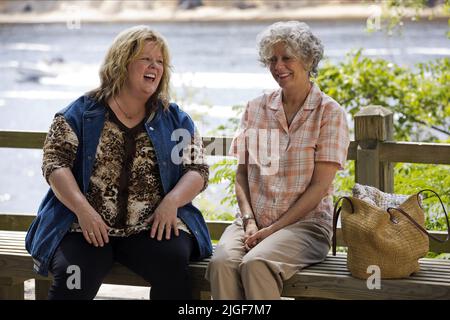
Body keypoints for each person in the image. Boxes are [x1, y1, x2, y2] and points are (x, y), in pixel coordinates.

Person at [25, 25, 212, 300]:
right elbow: (55, 163)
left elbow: (197, 169)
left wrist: (172, 202)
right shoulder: (80, 112)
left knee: (174, 266)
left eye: (160, 61)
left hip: (150, 227)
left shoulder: (174, 119)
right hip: (83, 226)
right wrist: (82, 209)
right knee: (74, 276)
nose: (155, 67)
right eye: (145, 59)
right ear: (122, 63)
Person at [205, 21, 350, 299]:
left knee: (256, 264)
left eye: (287, 58)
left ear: (308, 60)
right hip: (252, 222)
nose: (278, 66)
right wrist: (248, 220)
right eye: (272, 59)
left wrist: (273, 229)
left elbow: (319, 188)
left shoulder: (330, 113)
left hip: (306, 227)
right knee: (221, 262)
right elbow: (242, 175)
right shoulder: (256, 108)